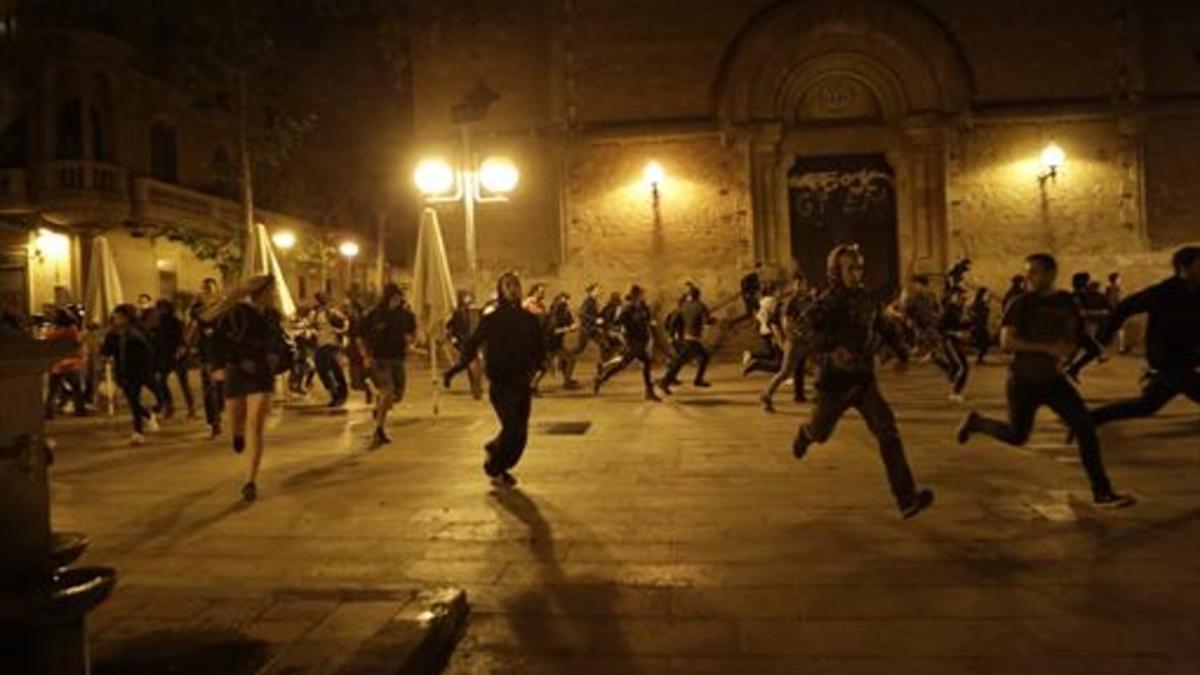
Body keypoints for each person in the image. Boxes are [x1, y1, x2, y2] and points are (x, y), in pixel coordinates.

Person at [955, 254, 1134, 509]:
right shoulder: (1021, 303)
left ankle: (1102, 493)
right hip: (1024, 381)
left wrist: (1073, 350)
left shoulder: (1065, 302)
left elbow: (1075, 333)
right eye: (1027, 272)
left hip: (1053, 380)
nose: (1028, 277)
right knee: (1017, 436)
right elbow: (1007, 341)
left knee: (1085, 428)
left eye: (1034, 272)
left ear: (1050, 273)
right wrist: (1048, 348)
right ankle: (977, 422)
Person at [791, 244, 933, 518]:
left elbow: (885, 326)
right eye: (850, 268)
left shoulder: (868, 299)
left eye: (859, 268)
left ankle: (906, 499)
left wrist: (902, 353)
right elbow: (801, 329)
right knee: (821, 432)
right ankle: (806, 434)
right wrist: (831, 349)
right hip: (834, 383)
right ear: (836, 271)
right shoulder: (826, 302)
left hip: (864, 379)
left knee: (887, 431)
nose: (856, 274)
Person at [443, 271, 546, 487]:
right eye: (508, 285)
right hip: (501, 384)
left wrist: (540, 364)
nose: (513, 289)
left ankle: (500, 463)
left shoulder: (528, 319)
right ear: (501, 289)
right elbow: (472, 345)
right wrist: (458, 370)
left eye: (515, 284)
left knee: (521, 435)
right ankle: (494, 466)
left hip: (522, 382)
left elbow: (538, 345)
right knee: (512, 428)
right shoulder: (492, 319)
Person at [1086, 246, 1200, 430]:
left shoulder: (1197, 292)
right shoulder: (1163, 292)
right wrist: (1104, 337)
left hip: (1187, 357)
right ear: (1183, 268)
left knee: (1147, 406)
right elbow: (1125, 307)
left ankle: (1089, 419)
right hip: (1167, 358)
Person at [208, 275, 292, 502]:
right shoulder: (236, 312)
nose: (274, 294)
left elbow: (278, 340)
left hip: (262, 371)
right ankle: (237, 435)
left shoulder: (273, 316)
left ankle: (250, 481)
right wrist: (221, 365)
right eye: (271, 290)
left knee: (256, 424)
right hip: (238, 369)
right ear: (261, 291)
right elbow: (218, 341)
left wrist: (276, 356)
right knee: (237, 420)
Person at [358, 283, 417, 448]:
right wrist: (366, 356)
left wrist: (411, 342)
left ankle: (380, 407)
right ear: (386, 298)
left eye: (398, 298)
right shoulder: (374, 315)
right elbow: (360, 336)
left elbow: (413, 331)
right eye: (393, 298)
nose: (396, 301)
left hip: (399, 358)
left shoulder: (406, 315)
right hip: (380, 359)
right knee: (388, 391)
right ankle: (379, 429)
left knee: (398, 395)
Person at [101, 304, 157, 445]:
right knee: (133, 402)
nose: (116, 319)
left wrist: (148, 369)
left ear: (128, 318)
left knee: (133, 400)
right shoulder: (113, 334)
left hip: (138, 371)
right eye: (115, 316)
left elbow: (149, 351)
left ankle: (138, 432)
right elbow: (106, 352)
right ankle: (147, 415)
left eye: (120, 317)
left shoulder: (137, 332)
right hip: (122, 372)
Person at [593, 284, 661, 401]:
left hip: (642, 340)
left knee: (629, 364)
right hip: (633, 341)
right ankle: (649, 391)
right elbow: (617, 323)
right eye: (641, 295)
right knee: (639, 363)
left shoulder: (644, 307)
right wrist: (620, 332)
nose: (643, 297)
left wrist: (651, 322)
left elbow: (648, 318)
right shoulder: (628, 309)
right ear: (636, 296)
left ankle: (601, 378)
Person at [760, 273, 812, 411]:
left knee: (813, 367)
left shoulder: (808, 300)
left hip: (805, 341)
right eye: (798, 284)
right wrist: (791, 336)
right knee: (785, 372)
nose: (801, 287)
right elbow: (786, 323)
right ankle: (766, 395)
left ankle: (802, 395)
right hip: (794, 342)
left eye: (803, 284)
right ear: (794, 285)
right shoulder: (791, 302)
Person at [658, 282, 714, 395]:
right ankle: (664, 382)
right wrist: (713, 321)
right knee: (679, 362)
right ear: (698, 295)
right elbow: (707, 322)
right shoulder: (701, 305)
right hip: (693, 339)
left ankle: (697, 380)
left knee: (703, 356)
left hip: (685, 338)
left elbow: (674, 320)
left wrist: (671, 335)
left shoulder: (683, 306)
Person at [188, 278, 225, 437]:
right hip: (206, 354)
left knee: (221, 387)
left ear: (216, 290)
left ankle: (219, 412)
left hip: (222, 353)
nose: (206, 291)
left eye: (210, 288)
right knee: (209, 389)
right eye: (204, 289)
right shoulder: (198, 308)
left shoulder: (224, 307)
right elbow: (194, 321)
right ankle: (214, 422)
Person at [150, 299, 195, 419]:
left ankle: (191, 407)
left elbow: (182, 339)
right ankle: (170, 406)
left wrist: (181, 349)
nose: (161, 310)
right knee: (161, 381)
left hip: (177, 356)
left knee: (183, 383)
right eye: (160, 307)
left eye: (164, 307)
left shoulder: (176, 322)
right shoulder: (158, 322)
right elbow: (156, 341)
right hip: (165, 357)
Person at [43, 308, 87, 419]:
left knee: (53, 388)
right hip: (71, 361)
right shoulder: (73, 328)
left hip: (62, 362)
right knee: (75, 386)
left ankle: (49, 411)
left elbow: (49, 338)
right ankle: (80, 408)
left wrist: (48, 332)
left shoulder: (64, 330)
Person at [311, 292, 348, 407]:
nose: (318, 301)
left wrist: (340, 331)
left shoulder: (331, 312)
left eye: (320, 299)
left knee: (330, 368)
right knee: (323, 369)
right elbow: (315, 326)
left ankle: (339, 393)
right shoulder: (317, 312)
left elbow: (345, 322)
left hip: (331, 344)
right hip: (321, 344)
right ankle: (335, 393)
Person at [539, 292, 580, 391]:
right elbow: (553, 331)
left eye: (566, 302)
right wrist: (569, 328)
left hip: (557, 344)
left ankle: (567, 381)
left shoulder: (565, 313)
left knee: (569, 360)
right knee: (544, 368)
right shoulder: (553, 315)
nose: (566, 305)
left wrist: (575, 325)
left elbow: (571, 325)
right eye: (563, 302)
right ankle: (532, 386)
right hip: (548, 344)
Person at [446, 290, 484, 399]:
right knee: (469, 364)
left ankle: (475, 388)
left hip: (474, 341)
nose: (468, 300)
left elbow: (480, 324)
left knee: (472, 364)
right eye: (466, 298)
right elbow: (450, 326)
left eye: (469, 298)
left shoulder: (476, 312)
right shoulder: (457, 313)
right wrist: (453, 339)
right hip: (463, 342)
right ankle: (475, 389)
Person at [743, 280, 783, 375]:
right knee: (778, 363)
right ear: (774, 291)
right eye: (778, 290)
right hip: (772, 332)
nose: (780, 292)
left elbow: (758, 316)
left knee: (770, 354)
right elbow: (775, 317)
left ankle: (754, 359)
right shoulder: (773, 302)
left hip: (764, 331)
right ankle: (757, 363)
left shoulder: (762, 301)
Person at [938, 287, 971, 402]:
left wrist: (967, 321)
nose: (961, 299)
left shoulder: (961, 309)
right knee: (962, 366)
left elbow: (964, 324)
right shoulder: (948, 310)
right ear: (953, 296)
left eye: (963, 297)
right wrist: (956, 333)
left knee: (957, 366)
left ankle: (937, 359)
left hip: (957, 341)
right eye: (959, 296)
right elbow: (941, 328)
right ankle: (955, 392)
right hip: (949, 341)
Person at [1104, 272, 1127, 353]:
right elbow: (1118, 300)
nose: (1120, 280)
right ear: (1116, 280)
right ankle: (1121, 348)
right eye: (1119, 278)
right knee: (1120, 330)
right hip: (1117, 311)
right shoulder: (1117, 289)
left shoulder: (1108, 289)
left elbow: (1107, 300)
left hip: (1110, 311)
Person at [969, 288, 993, 365]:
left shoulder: (983, 304)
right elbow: (974, 314)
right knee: (983, 343)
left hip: (982, 326)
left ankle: (979, 358)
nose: (988, 296)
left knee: (985, 343)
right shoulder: (978, 304)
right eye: (986, 295)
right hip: (978, 326)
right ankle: (979, 358)